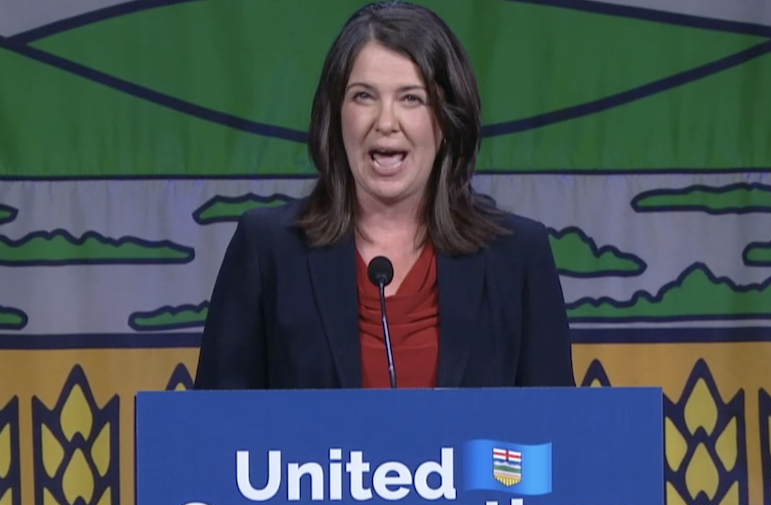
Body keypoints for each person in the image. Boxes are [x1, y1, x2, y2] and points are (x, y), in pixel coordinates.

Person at [194, 1, 574, 390]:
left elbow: (557, 435)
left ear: (446, 121)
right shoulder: (268, 250)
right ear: (336, 115)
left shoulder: (517, 256)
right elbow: (214, 434)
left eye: (411, 98)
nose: (386, 122)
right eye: (364, 96)